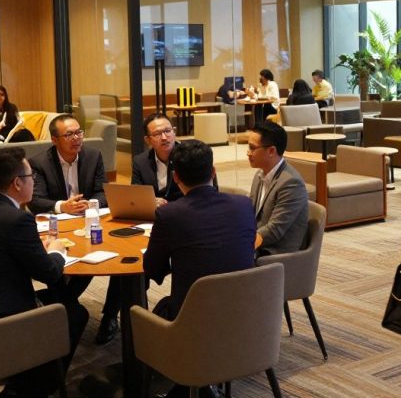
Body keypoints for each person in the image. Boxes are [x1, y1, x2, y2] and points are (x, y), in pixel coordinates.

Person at [0, 147, 88, 397]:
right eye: (31, 177)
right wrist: (55, 251)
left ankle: (28, 375)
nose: (34, 182)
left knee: (59, 300)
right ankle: (28, 390)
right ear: (17, 183)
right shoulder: (16, 220)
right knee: (73, 312)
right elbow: (49, 274)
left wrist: (33, 250)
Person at [144, 139, 256, 398]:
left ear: (176, 177)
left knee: (162, 308)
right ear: (213, 171)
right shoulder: (243, 205)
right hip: (249, 313)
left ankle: (186, 386)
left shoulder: (170, 215)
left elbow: (152, 270)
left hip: (195, 322)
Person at [29, 114, 119, 344]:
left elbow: (102, 191)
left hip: (90, 220)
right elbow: (35, 200)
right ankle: (64, 306)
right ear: (54, 139)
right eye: (69, 134)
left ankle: (108, 316)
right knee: (64, 263)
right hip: (57, 227)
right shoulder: (39, 162)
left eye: (79, 132)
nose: (76, 138)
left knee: (114, 258)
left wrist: (89, 205)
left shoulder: (93, 155)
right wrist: (63, 206)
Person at [246, 121, 308, 256]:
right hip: (258, 243)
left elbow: (275, 230)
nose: (248, 153)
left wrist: (243, 241)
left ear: (271, 151)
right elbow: (250, 213)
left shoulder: (291, 183)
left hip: (276, 251)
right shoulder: (260, 174)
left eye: (252, 148)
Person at [132, 113, 216, 205]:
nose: (164, 138)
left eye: (167, 131)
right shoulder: (140, 162)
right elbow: (136, 195)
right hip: (152, 213)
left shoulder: (191, 156)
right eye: (157, 134)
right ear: (148, 140)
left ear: (174, 132)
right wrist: (151, 201)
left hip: (185, 211)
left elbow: (208, 192)